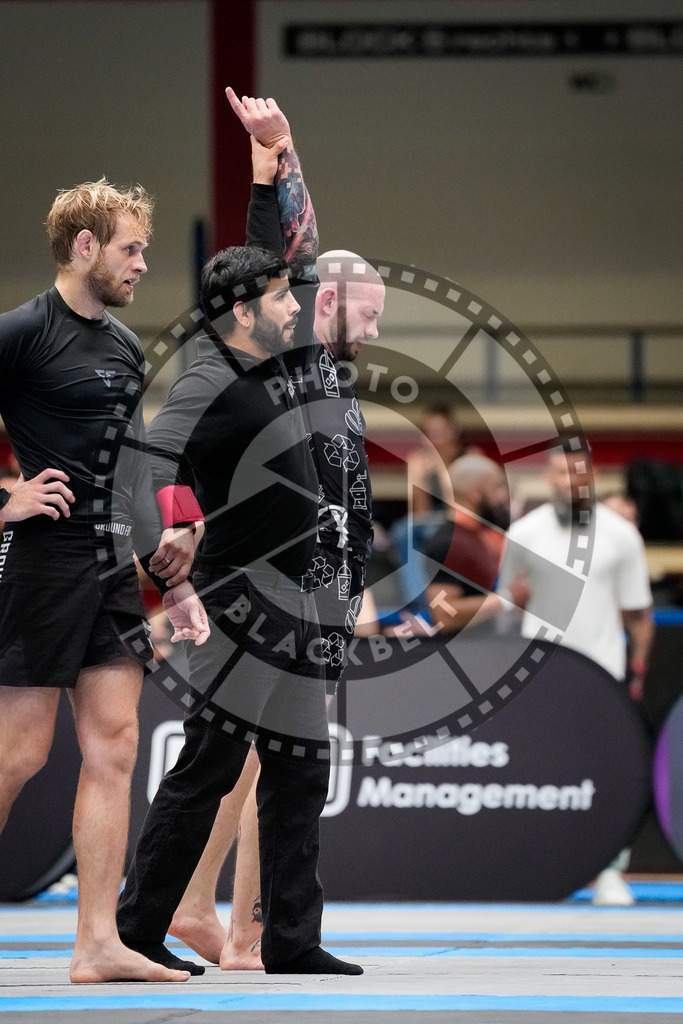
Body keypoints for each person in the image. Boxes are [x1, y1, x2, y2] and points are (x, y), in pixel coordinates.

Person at [116, 102, 364, 977]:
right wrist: (162, 562)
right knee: (208, 771)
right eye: (273, 300)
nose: (292, 306)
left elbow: (282, 255)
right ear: (237, 310)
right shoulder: (207, 380)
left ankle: (291, 941)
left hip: (298, 596)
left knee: (300, 773)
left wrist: (275, 161)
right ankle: (139, 927)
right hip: (238, 600)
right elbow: (137, 463)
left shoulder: (283, 352)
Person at [0, 180, 209, 984]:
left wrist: (173, 579)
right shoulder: (21, 332)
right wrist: (5, 499)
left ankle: (95, 943)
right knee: (18, 754)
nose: (143, 264)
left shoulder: (124, 347)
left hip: (113, 564)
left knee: (114, 746)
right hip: (42, 561)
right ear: (84, 247)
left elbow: (140, 468)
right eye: (131, 248)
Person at [497, 446, 654, 906]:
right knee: (537, 773)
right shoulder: (523, 531)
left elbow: (639, 612)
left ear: (594, 477)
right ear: (547, 476)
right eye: (561, 472)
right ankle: (541, 869)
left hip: (604, 671)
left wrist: (638, 669)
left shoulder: (623, 534)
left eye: (578, 473)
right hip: (537, 675)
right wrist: (514, 598)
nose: (569, 480)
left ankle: (611, 872)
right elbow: (505, 605)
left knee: (610, 774)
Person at [420, 454, 516, 635]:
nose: (503, 496)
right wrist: (508, 599)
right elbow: (443, 615)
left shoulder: (490, 532)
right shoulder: (448, 543)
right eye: (496, 488)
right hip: (470, 651)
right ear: (474, 493)